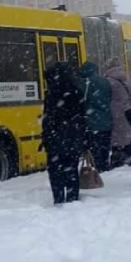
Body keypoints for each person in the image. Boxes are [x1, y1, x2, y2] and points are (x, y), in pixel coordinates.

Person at [42, 63, 86, 205]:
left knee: (55, 170)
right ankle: (72, 197)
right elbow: (82, 116)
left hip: (55, 139)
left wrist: (47, 137)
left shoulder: (52, 94)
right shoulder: (77, 91)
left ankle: (59, 197)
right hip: (73, 138)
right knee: (71, 168)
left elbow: (48, 119)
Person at [80, 62, 113, 172]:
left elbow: (83, 101)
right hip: (106, 120)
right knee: (105, 146)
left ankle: (97, 168)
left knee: (95, 147)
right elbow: (109, 97)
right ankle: (105, 165)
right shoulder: (105, 81)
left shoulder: (85, 83)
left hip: (92, 121)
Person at [103, 57, 131, 168]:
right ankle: (126, 158)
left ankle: (117, 161)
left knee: (116, 140)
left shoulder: (108, 81)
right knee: (124, 138)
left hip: (114, 115)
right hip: (127, 113)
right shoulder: (126, 79)